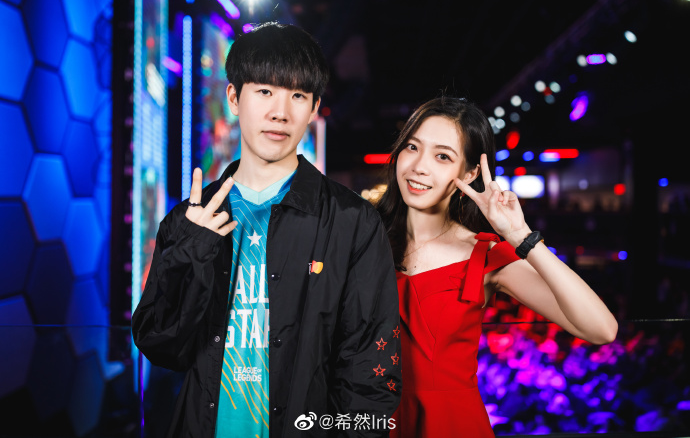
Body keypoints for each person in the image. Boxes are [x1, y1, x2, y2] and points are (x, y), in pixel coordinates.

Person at [132, 22, 401, 438]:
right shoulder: (189, 218)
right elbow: (159, 345)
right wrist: (191, 251)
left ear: (314, 108)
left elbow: (371, 371)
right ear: (233, 98)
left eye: (298, 95)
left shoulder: (352, 221)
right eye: (264, 91)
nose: (281, 112)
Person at [375, 97, 618, 438]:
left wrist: (521, 236)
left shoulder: (484, 255)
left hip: (451, 425)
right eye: (412, 147)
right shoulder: (362, 239)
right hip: (372, 418)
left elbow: (602, 330)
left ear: (470, 173)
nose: (418, 166)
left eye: (442, 156)